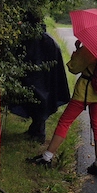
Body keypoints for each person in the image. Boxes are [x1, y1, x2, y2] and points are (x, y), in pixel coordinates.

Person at [27, 40, 97, 176]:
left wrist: (77, 51)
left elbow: (73, 68)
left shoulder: (90, 48)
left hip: (85, 91)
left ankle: (47, 157)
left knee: (65, 122)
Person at [17, 11, 70, 143]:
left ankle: (39, 133)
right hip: (46, 78)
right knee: (40, 103)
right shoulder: (48, 39)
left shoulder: (29, 39)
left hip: (36, 77)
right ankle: (35, 129)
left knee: (38, 104)